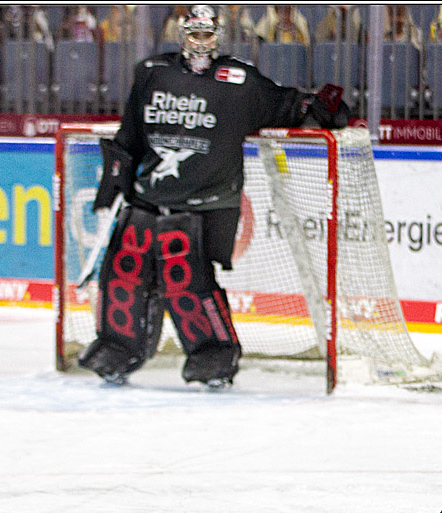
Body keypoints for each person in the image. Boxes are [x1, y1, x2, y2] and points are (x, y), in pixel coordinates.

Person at [78, 5, 351, 389]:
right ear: (182, 35)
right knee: (122, 274)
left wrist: (322, 108)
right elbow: (131, 133)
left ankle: (213, 357)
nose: (200, 42)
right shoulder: (153, 73)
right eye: (194, 34)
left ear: (217, 37)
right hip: (147, 198)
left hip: (204, 205)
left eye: (207, 34)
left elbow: (288, 105)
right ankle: (116, 349)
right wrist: (117, 175)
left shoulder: (239, 81)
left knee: (186, 281)